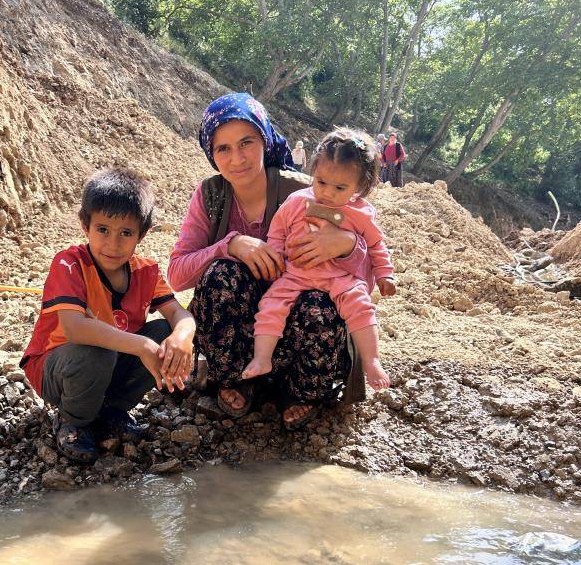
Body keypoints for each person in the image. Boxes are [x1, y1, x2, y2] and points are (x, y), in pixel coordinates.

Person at [168, 92, 369, 430]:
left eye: (246, 142)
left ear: (265, 139)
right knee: (222, 274)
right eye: (223, 149)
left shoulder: (307, 192)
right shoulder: (211, 196)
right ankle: (237, 380)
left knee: (320, 301)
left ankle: (300, 390)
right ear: (211, 154)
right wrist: (229, 245)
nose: (237, 159)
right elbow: (177, 275)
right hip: (241, 338)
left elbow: (366, 277)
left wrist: (347, 244)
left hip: (297, 332)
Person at [21, 168, 196, 463]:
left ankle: (112, 409)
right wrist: (142, 346)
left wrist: (182, 337)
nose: (113, 244)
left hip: (107, 361)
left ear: (142, 233)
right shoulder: (70, 264)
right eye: (103, 229)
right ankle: (72, 419)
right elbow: (75, 329)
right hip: (58, 367)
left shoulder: (145, 270)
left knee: (165, 331)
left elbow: (179, 314)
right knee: (98, 350)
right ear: (85, 225)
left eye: (125, 233)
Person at [242, 128, 395, 389]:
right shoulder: (296, 202)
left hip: (341, 278)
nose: (328, 193)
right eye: (321, 182)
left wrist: (385, 274)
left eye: (340, 187)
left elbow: (376, 245)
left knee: (361, 308)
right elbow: (277, 232)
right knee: (271, 305)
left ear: (360, 187)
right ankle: (262, 358)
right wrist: (276, 257)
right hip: (295, 273)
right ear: (313, 172)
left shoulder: (360, 213)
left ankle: (371, 360)